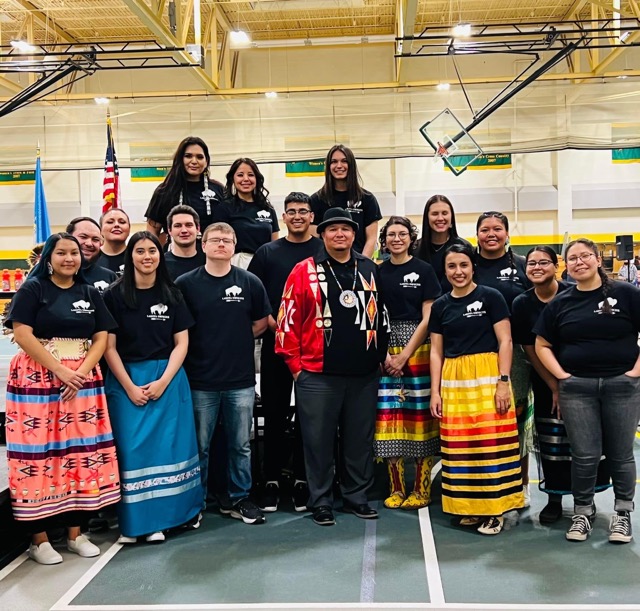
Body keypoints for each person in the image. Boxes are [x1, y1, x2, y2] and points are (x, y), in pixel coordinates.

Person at [4, 233, 120, 564]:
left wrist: (80, 372)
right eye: (61, 253)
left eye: (74, 253)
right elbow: (22, 333)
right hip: (38, 381)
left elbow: (101, 335)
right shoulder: (33, 289)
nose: (69, 258)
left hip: (82, 382)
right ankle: (39, 540)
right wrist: (59, 370)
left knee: (80, 452)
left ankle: (75, 533)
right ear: (49, 258)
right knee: (38, 454)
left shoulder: (88, 292)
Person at [276, 208, 389, 526]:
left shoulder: (368, 268)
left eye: (346, 229)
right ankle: (321, 501)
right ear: (322, 234)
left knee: (359, 440)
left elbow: (381, 317)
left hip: (363, 374)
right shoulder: (303, 270)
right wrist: (297, 368)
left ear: (354, 235)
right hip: (316, 375)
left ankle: (356, 497)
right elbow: (286, 321)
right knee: (317, 442)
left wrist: (378, 358)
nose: (340, 234)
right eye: (333, 229)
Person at [534, 238, 640, 544]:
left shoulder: (626, 293)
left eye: (585, 256)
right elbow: (541, 344)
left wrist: (634, 372)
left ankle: (622, 514)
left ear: (597, 260)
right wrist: (563, 377)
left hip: (622, 387)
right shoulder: (561, 303)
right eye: (573, 258)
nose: (579, 262)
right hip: (577, 390)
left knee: (620, 455)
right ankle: (582, 511)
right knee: (584, 455)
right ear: (566, 266)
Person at [103, 231, 202, 544]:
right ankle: (134, 525)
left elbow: (182, 342)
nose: (147, 256)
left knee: (169, 451)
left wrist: (163, 380)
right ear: (130, 255)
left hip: (168, 379)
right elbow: (108, 348)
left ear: (161, 256)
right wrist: (130, 386)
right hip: (126, 380)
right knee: (132, 452)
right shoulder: (114, 296)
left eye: (153, 251)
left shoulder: (172, 293)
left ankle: (169, 519)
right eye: (140, 251)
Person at [176, 222, 270, 524]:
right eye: (215, 240)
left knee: (240, 445)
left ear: (234, 246)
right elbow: (179, 330)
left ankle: (239, 498)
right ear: (203, 245)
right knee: (200, 446)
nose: (221, 244)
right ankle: (195, 504)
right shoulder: (186, 284)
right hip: (200, 380)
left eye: (227, 240)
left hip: (240, 381)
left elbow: (260, 324)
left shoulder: (250, 281)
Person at [429, 243, 524, 536]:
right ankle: (470, 508)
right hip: (454, 381)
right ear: (445, 271)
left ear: (473, 267)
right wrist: (436, 391)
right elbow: (435, 351)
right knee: (460, 447)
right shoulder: (440, 306)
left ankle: (495, 510)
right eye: (452, 266)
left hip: (487, 376)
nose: (458, 272)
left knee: (491, 446)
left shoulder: (491, 297)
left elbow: (505, 341)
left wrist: (503, 381)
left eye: (463, 265)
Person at [511, 246, 610, 524]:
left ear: (556, 266)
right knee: (552, 440)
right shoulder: (522, 303)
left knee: (585, 439)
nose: (537, 267)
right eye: (531, 263)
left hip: (582, 376)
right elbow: (530, 348)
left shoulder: (574, 294)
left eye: (544, 262)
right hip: (546, 379)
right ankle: (554, 498)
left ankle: (586, 500)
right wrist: (555, 386)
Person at [247, 192, 323, 513]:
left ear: (311, 216)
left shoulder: (323, 250)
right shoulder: (267, 253)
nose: (296, 216)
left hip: (316, 350)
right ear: (283, 216)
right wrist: (280, 325)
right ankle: (272, 480)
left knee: (311, 418)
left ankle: (305, 479)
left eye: (302, 211)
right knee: (275, 415)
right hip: (277, 348)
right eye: (290, 212)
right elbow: (256, 296)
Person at [375, 216, 441, 510]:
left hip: (419, 348)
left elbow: (429, 317)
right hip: (385, 351)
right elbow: (372, 315)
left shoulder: (424, 270)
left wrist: (405, 354)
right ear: (384, 240)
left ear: (411, 238)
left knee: (419, 418)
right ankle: (396, 487)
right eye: (391, 234)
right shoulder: (375, 272)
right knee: (389, 419)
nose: (397, 239)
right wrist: (385, 354)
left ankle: (421, 487)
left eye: (402, 234)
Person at [474, 211, 533, 506]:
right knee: (481, 422)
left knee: (515, 419)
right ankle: (481, 485)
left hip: (517, 355)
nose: (491, 234)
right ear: (477, 235)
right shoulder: (466, 266)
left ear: (508, 234)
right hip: (474, 355)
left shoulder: (522, 266)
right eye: (485, 229)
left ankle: (519, 486)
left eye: (498, 228)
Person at [145, 136, 226, 245]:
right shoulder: (164, 191)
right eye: (188, 156)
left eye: (200, 157)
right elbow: (152, 231)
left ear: (206, 161)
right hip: (174, 256)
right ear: (180, 159)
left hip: (212, 256)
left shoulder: (218, 189)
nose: (194, 161)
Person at [309, 144, 382, 258]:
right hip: (326, 266)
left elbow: (371, 239)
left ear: (351, 165)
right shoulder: (316, 200)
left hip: (356, 265)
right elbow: (314, 240)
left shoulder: (367, 199)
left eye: (344, 161)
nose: (339, 166)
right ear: (328, 166)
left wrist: (362, 265)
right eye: (334, 161)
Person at [223, 157, 279, 269]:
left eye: (250, 175)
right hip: (235, 263)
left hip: (265, 262)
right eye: (240, 175)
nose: (246, 179)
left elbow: (275, 244)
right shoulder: (225, 207)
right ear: (232, 179)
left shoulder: (268, 209)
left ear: (257, 178)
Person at [415, 194, 470, 288]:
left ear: (451, 217)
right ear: (427, 218)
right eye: (435, 214)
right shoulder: (415, 248)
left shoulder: (464, 247)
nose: (440, 218)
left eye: (445, 213)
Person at [66, 217, 117, 292]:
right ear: (68, 237)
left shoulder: (110, 277)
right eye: (83, 237)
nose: (89, 244)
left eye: (95, 239)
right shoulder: (51, 277)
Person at [163, 204, 205, 280]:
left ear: (198, 228)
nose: (184, 230)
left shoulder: (208, 261)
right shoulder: (161, 263)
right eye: (178, 226)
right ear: (169, 230)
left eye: (189, 225)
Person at [97, 208, 131, 275]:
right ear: (100, 229)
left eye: (122, 222)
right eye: (110, 222)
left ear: (129, 229)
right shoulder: (91, 258)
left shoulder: (136, 256)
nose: (116, 225)